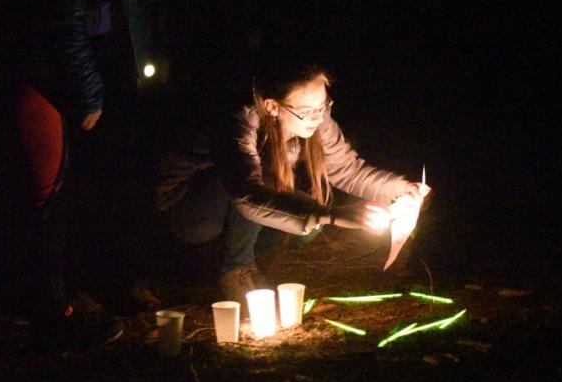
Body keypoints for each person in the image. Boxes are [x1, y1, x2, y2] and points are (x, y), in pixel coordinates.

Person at [17, 0, 164, 350]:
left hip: (115, 63)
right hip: (72, 69)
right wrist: (85, 89)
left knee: (120, 174)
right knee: (72, 183)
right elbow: (63, 14)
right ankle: (72, 292)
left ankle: (122, 279)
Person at [155, 61, 430, 303]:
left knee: (307, 229)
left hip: (237, 207)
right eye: (308, 111)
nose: (319, 117)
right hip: (188, 209)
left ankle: (232, 257)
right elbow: (247, 193)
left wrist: (399, 188)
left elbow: (347, 170)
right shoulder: (239, 119)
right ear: (272, 106)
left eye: (323, 106)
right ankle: (236, 267)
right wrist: (332, 215)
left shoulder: (317, 119)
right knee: (273, 186)